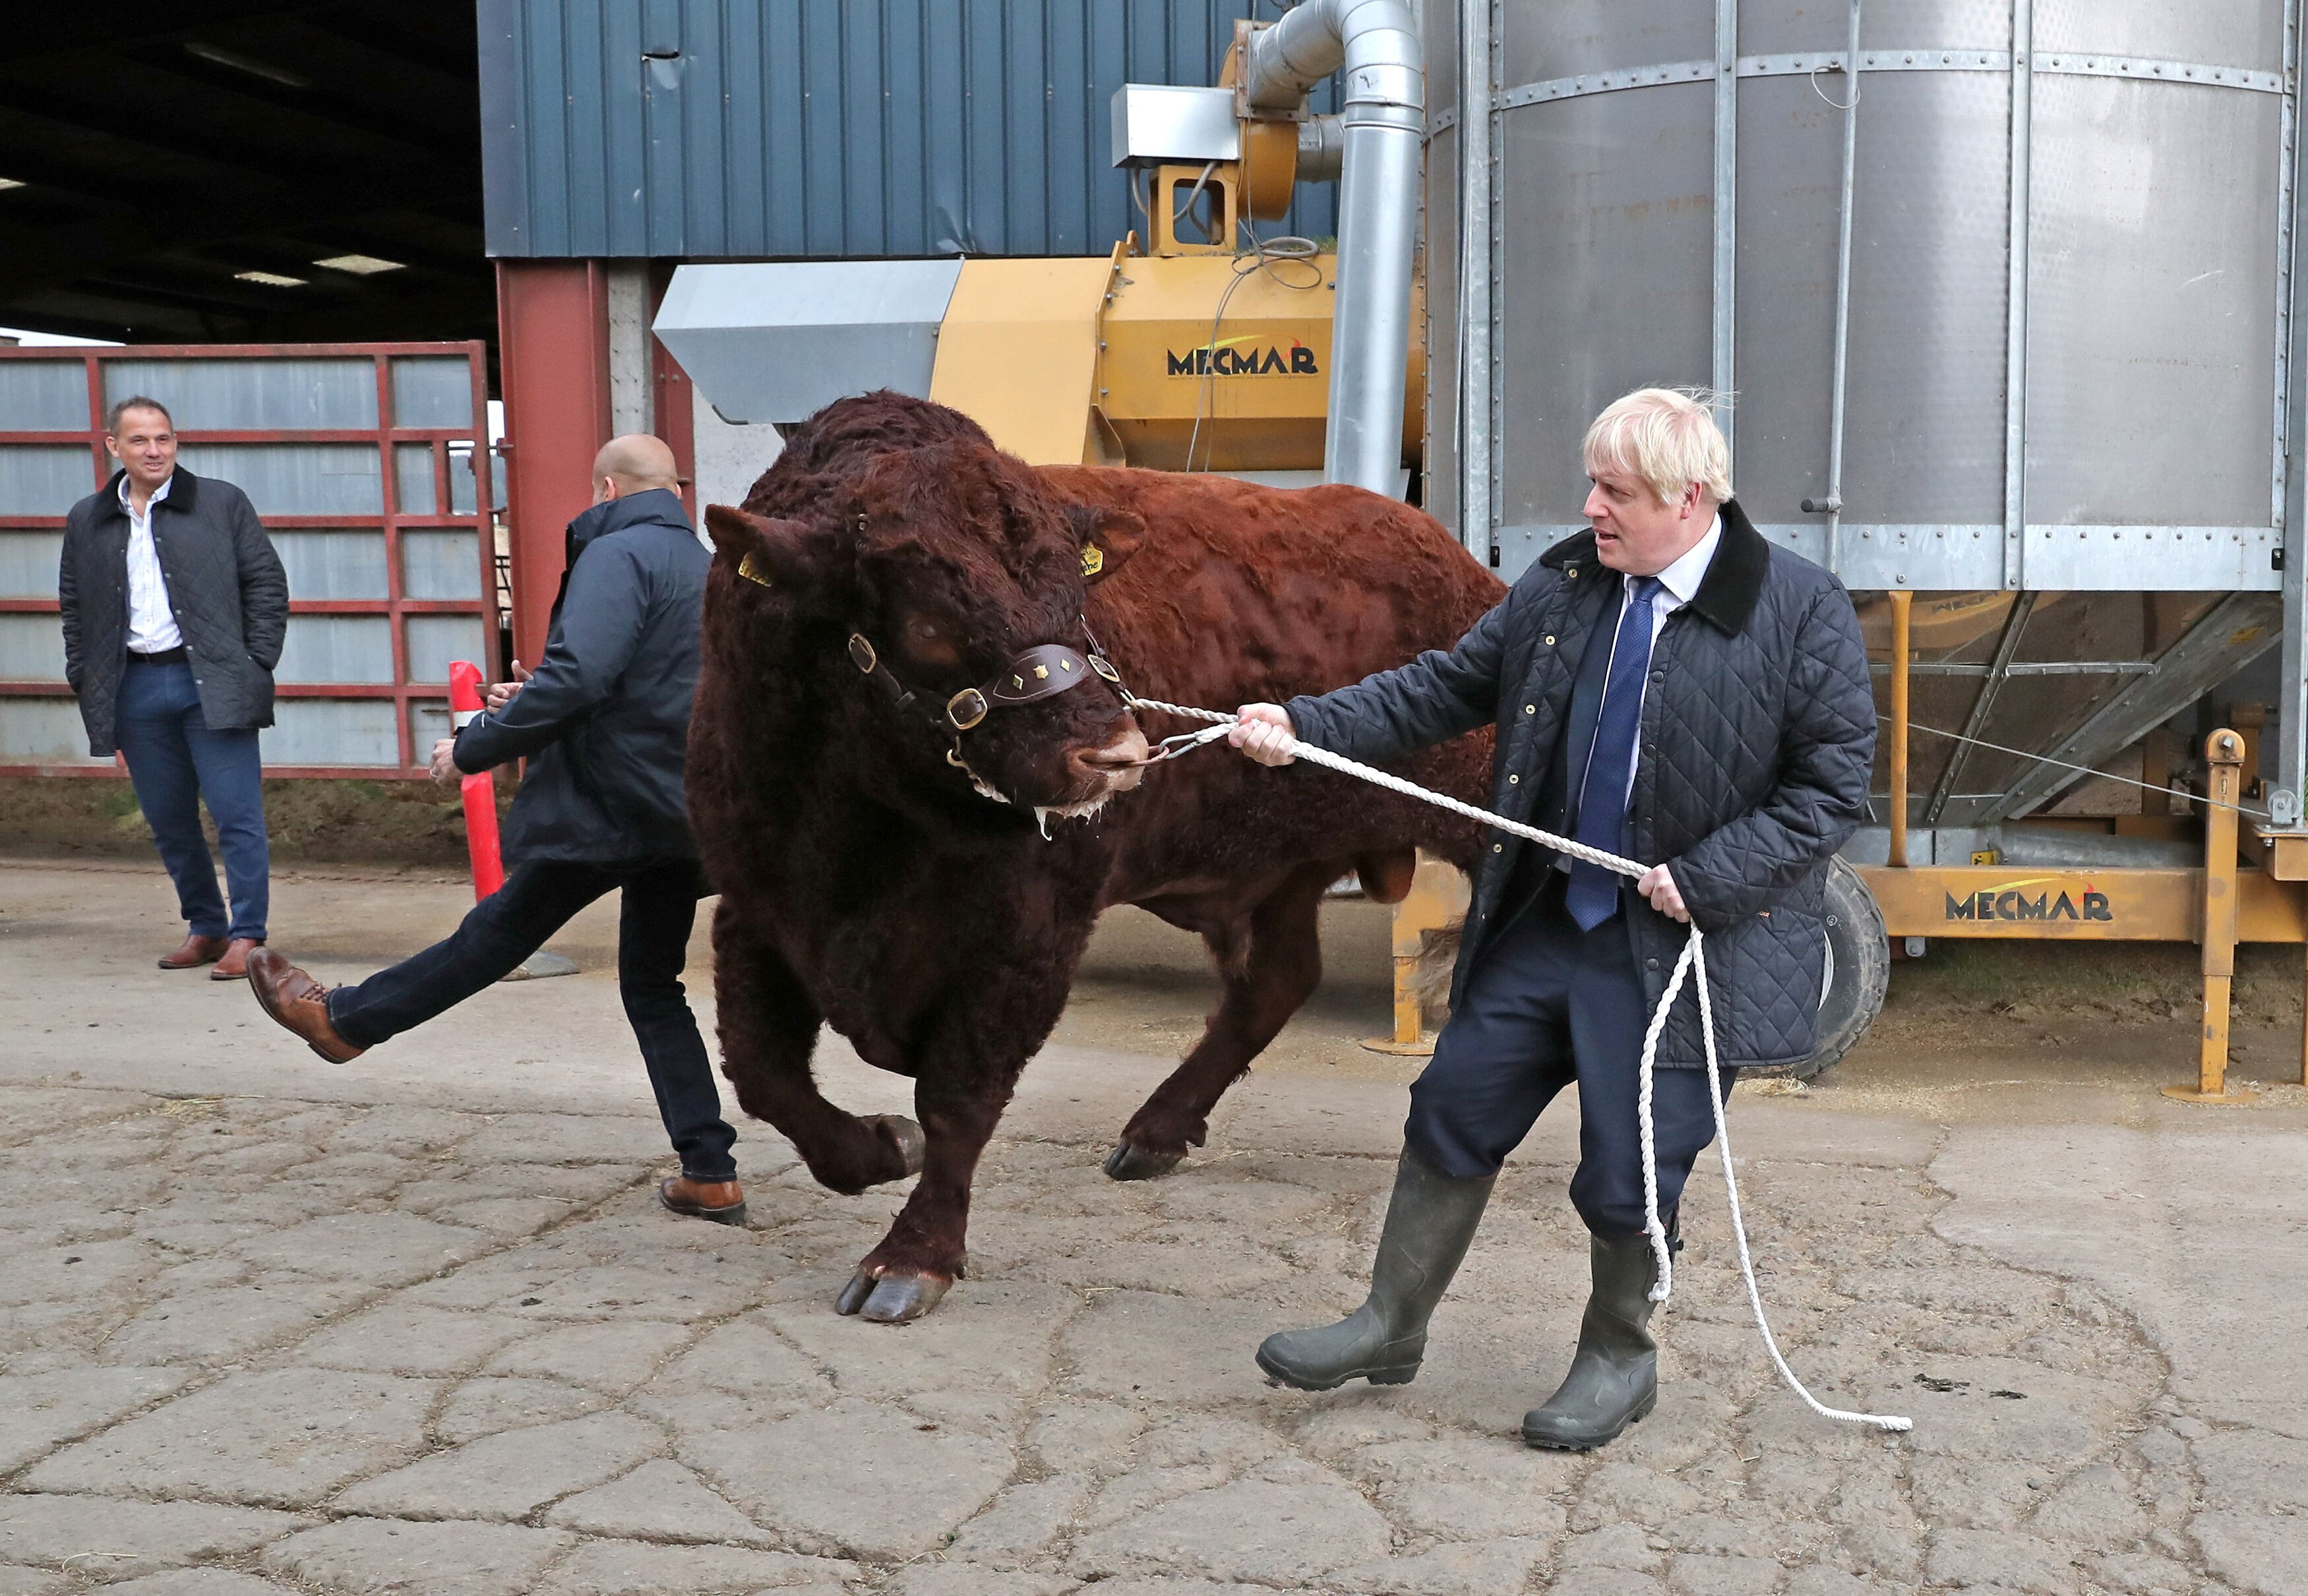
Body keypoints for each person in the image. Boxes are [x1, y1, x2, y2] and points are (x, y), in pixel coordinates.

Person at [1234, 389, 1873, 1449]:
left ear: (1691, 498)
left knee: (1628, 1170)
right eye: (1593, 486)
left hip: (1675, 949)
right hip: (1549, 919)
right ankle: (1390, 1325)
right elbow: (1442, 689)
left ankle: (1620, 1359)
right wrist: (1301, 724)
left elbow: (1832, 789)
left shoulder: (1799, 609)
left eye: (1615, 491)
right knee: (1452, 1102)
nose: (1592, 509)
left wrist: (1709, 875)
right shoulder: (1568, 583)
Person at [245, 435, 748, 1224]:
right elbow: (653, 681)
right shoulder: (712, 566)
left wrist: (476, 744)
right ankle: (709, 1170)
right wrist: (535, 698)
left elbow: (581, 674)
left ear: (607, 487)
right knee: (652, 986)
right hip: (683, 807)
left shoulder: (617, 558)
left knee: (494, 935)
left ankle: (345, 1022)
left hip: (610, 807)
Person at [59, 397, 288, 980]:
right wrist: (86, 675)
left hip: (210, 679)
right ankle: (206, 926)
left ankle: (248, 935)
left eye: (163, 438)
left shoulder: (221, 503)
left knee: (236, 812)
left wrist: (254, 662)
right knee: (167, 817)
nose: (155, 450)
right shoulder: (87, 518)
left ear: (176, 442)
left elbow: (266, 583)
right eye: (140, 441)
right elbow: (74, 607)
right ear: (114, 447)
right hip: (134, 685)